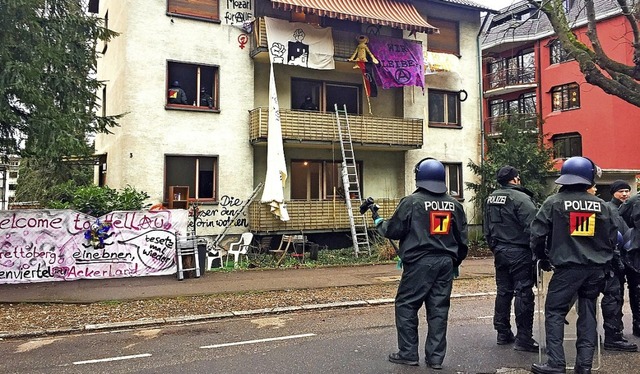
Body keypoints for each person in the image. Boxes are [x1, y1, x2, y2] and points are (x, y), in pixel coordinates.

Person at [368, 158, 468, 370]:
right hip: (445, 264)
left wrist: (377, 219)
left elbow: (393, 230)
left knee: (406, 305)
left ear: (419, 177)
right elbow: (462, 240)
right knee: (438, 309)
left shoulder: (412, 202)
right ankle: (435, 358)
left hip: (420, 263)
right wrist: (454, 262)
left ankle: (408, 353)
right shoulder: (454, 205)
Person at [530, 156, 617, 374]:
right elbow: (614, 238)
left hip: (568, 269)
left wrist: (543, 257)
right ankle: (584, 366)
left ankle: (556, 363)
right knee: (588, 314)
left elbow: (537, 235)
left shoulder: (554, 202)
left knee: (555, 312)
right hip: (596, 270)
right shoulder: (603, 206)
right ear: (588, 178)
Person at [483, 166, 538, 352]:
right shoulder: (521, 198)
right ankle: (524, 338)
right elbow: (534, 227)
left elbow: (486, 228)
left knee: (503, 291)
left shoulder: (491, 198)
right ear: (514, 180)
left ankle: (503, 332)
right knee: (523, 292)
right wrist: (540, 251)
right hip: (520, 251)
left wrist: (495, 247)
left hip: (500, 250)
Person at [600, 180, 637, 351]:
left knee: (636, 293)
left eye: (627, 191)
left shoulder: (630, 207)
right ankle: (615, 333)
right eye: (621, 191)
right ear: (613, 192)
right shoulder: (608, 208)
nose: (624, 194)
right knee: (616, 296)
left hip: (631, 257)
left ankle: (635, 326)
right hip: (615, 258)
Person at [619, 182, 640, 337]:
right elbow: (621, 218)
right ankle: (638, 324)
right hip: (636, 252)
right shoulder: (634, 201)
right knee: (637, 289)